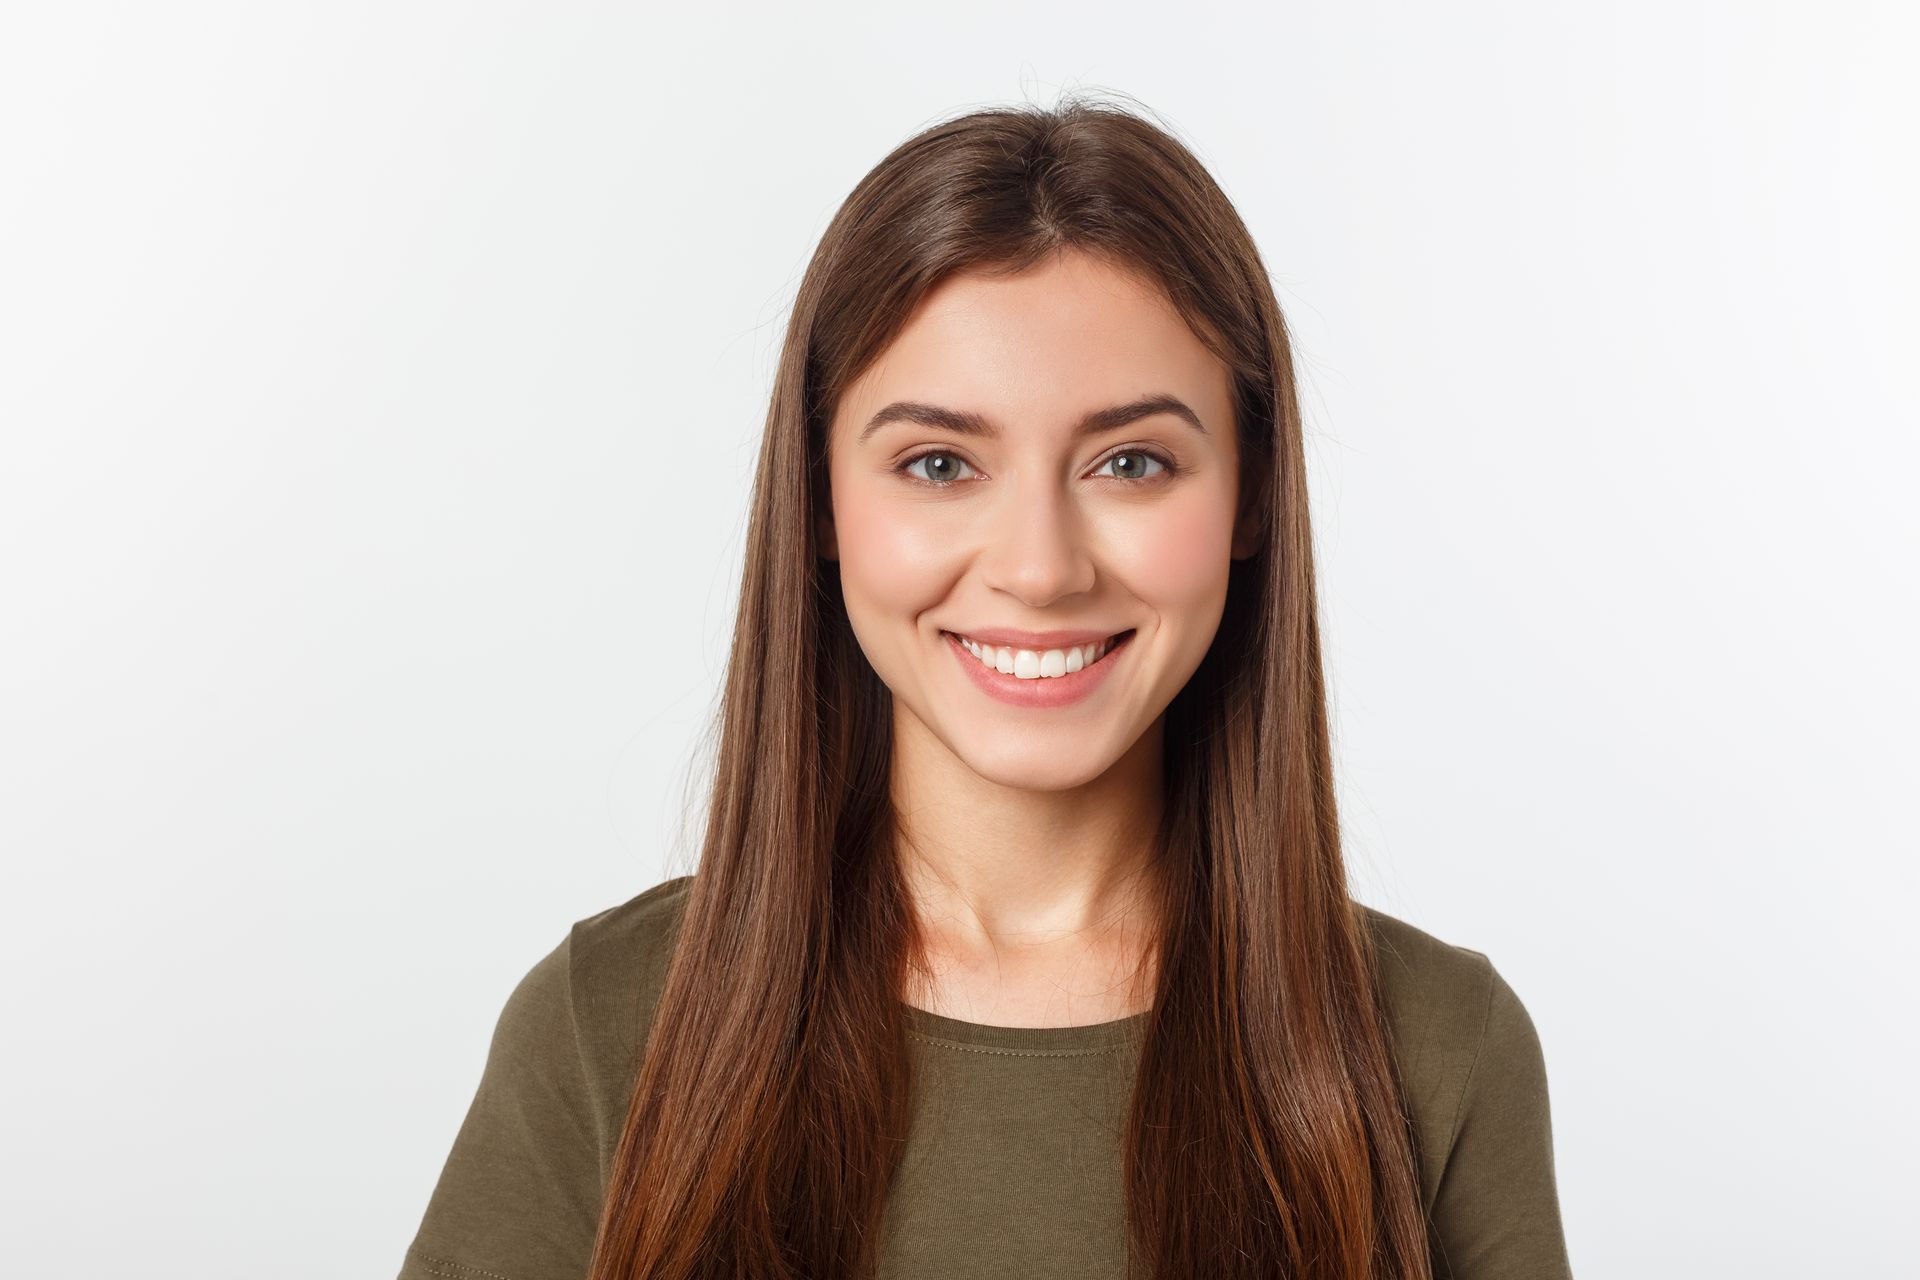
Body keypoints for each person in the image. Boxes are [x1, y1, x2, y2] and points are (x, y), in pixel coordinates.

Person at [398, 94, 1574, 1280]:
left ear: (1251, 498)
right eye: (940, 463)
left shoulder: (1434, 1053)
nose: (1039, 567)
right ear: (819, 499)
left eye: (1130, 462)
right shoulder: (608, 1033)